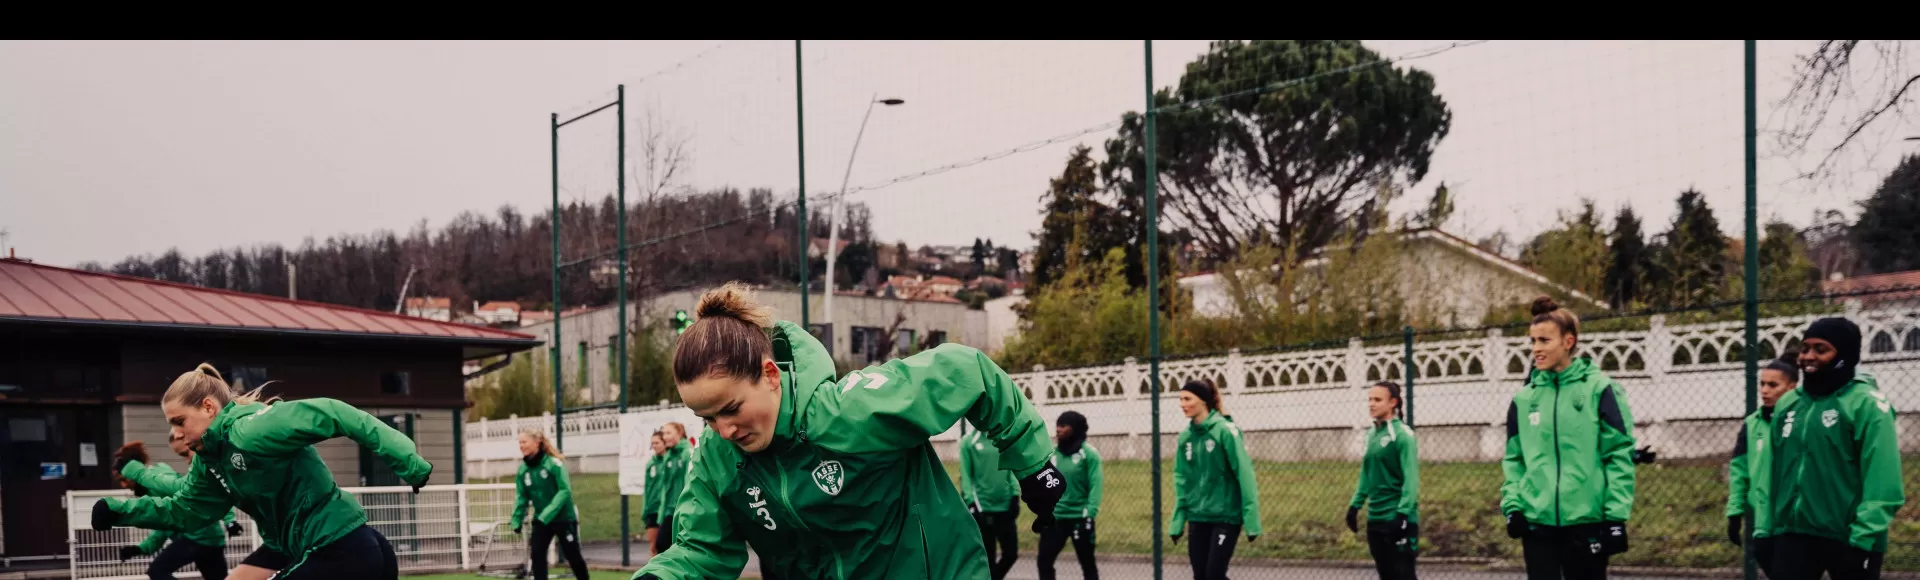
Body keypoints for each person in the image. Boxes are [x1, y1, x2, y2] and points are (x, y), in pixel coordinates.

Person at [631, 283, 1063, 580]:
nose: (722, 430)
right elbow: (702, 552)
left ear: (769, 376)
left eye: (730, 409)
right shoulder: (717, 459)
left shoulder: (851, 412)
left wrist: (1033, 464)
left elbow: (968, 370)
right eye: (706, 418)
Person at [91, 364, 430, 580]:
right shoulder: (211, 462)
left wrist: (409, 463)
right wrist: (120, 511)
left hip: (343, 550)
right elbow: (185, 510)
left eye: (179, 422)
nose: (176, 434)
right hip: (337, 551)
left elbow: (334, 413)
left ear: (208, 408)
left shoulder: (251, 430)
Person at [1499, 296, 1636, 580]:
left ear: (1568, 342)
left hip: (1586, 522)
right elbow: (1515, 458)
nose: (1536, 349)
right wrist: (1513, 506)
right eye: (1533, 341)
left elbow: (1618, 455)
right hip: (1537, 525)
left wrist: (1615, 518)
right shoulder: (1524, 399)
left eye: (1544, 341)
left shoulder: (1600, 389)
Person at [1767, 318, 1904, 579]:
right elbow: (1774, 471)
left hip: (1851, 537)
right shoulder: (1788, 404)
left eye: (1821, 349)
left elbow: (1883, 480)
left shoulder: (1867, 404)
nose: (1808, 357)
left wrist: (1862, 538)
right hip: (1794, 533)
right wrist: (1769, 528)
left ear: (1844, 354)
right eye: (1805, 348)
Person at [1169, 379, 1261, 580]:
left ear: (1203, 401)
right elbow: (1181, 479)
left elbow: (1245, 474)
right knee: (1201, 576)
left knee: (1214, 576)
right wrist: (1177, 521)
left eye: (1187, 399)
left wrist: (1251, 519)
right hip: (1198, 516)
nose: (1182, 404)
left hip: (1225, 516)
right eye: (1180, 399)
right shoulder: (1185, 437)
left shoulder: (1226, 431)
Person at [111, 440, 236, 580]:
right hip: (211, 539)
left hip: (196, 537)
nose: (123, 485)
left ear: (132, 471)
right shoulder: (152, 483)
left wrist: (229, 520)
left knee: (157, 571)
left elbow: (201, 494)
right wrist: (140, 549)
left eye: (123, 479)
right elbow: (164, 526)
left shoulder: (157, 479)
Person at [1726, 353, 1799, 578]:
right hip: (1762, 525)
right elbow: (1739, 471)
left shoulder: (1803, 420)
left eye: (1773, 385)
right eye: (1762, 384)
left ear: (1792, 387)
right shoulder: (1751, 424)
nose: (1764, 391)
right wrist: (1734, 511)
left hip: (1796, 525)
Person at [1347, 381, 1419, 580]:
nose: (1371, 404)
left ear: (1393, 403)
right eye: (1370, 399)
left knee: (1404, 575)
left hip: (1396, 518)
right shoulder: (1371, 435)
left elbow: (1411, 479)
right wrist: (1355, 505)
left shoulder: (1403, 435)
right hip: (1375, 518)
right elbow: (1366, 473)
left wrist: (1403, 514)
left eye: (1377, 400)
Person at [514, 429, 589, 580]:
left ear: (537, 443)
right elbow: (522, 497)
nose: (521, 445)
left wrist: (547, 514)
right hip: (542, 520)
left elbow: (564, 491)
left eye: (524, 442)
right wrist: (516, 519)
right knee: (537, 556)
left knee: (572, 555)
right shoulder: (523, 470)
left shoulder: (554, 464)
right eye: (520, 442)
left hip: (563, 518)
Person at [1037, 411, 1101, 580]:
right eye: (1057, 425)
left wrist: (1090, 514)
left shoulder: (1089, 455)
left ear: (1075, 429)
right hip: (1055, 519)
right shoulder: (1051, 454)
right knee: (1044, 561)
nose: (1058, 429)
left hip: (1079, 517)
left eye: (1063, 426)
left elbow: (1095, 486)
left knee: (1087, 564)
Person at [959, 425, 1021, 580]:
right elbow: (966, 476)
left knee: (1011, 554)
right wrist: (971, 502)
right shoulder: (968, 442)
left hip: (1005, 507)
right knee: (988, 558)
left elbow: (1012, 468)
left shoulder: (1005, 439)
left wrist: (1015, 495)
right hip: (983, 509)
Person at [644, 422, 692, 555]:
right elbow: (665, 489)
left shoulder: (687, 453)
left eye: (668, 433)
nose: (665, 437)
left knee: (676, 550)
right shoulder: (669, 456)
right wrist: (661, 514)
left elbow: (689, 484)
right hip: (669, 512)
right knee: (661, 547)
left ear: (680, 433)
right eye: (664, 433)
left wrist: (687, 511)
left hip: (683, 512)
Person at [642, 430, 669, 553]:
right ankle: (655, 572)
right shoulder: (650, 464)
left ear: (665, 443)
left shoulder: (671, 461)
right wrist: (645, 509)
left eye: (657, 443)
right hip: (653, 509)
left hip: (667, 510)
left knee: (668, 547)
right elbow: (647, 488)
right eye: (652, 443)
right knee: (654, 547)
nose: (654, 446)